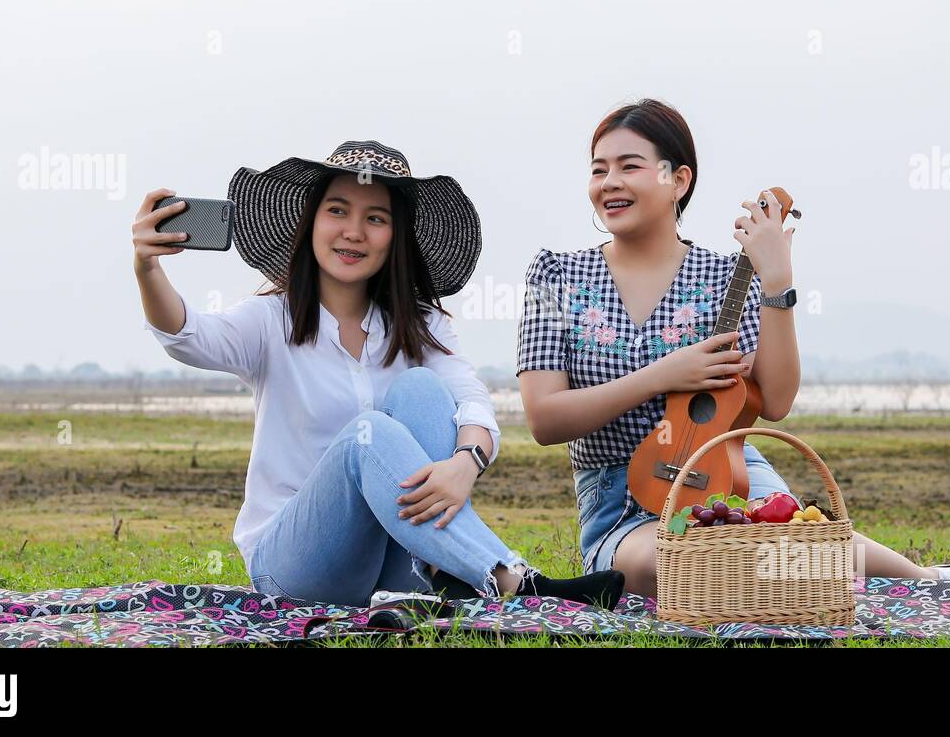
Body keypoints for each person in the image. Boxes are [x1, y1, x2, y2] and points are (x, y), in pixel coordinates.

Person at [516, 100, 950, 597]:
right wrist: (663, 374)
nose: (609, 183)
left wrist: (777, 281)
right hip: (620, 503)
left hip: (728, 474)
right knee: (689, 560)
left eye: (629, 166)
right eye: (598, 169)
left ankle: (931, 584)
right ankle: (895, 580)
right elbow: (545, 419)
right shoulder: (556, 274)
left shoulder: (726, 276)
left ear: (678, 179)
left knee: (794, 548)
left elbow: (778, 401)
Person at [134, 140, 625, 608]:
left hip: (396, 564)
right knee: (368, 434)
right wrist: (148, 269)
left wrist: (465, 462)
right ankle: (508, 578)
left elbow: (472, 401)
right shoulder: (271, 319)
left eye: (376, 218)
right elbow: (188, 335)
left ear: (396, 236)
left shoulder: (421, 323)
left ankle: (450, 574)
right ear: (311, 223)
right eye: (337, 211)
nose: (354, 231)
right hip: (297, 566)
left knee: (421, 390)